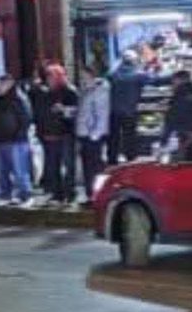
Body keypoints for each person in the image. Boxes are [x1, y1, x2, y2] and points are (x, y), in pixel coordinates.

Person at [36, 63, 78, 206]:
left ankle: (70, 194)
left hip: (66, 134)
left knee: (68, 167)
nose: (49, 79)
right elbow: (42, 114)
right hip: (50, 135)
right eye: (48, 77)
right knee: (53, 167)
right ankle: (57, 194)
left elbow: (77, 112)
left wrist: (64, 110)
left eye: (52, 76)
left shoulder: (70, 91)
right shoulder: (46, 94)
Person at [0, 75, 33, 206]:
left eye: (2, 84)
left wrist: (18, 134)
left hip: (16, 141)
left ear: (10, 83)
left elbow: (26, 118)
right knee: (3, 171)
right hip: (1, 140)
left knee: (20, 170)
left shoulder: (19, 98)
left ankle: (26, 195)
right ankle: (5, 194)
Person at [75, 65, 110, 206]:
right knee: (87, 167)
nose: (82, 79)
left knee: (94, 167)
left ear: (91, 75)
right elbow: (83, 111)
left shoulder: (99, 91)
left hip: (92, 136)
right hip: (84, 134)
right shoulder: (85, 90)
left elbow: (101, 114)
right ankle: (91, 195)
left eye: (84, 76)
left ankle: (98, 195)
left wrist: (95, 134)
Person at [108, 50, 147, 164]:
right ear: (134, 61)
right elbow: (156, 80)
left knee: (113, 138)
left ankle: (112, 162)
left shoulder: (112, 75)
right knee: (129, 138)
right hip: (129, 111)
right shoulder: (138, 75)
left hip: (114, 112)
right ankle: (130, 161)